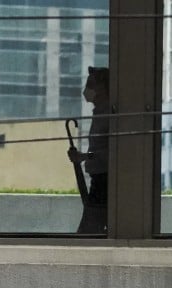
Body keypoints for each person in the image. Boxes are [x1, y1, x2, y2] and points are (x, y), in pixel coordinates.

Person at [67, 67, 110, 234]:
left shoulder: (108, 115)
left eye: (91, 84)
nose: (87, 89)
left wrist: (85, 156)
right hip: (98, 179)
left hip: (104, 182)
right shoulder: (99, 114)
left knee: (89, 230)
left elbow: (112, 152)